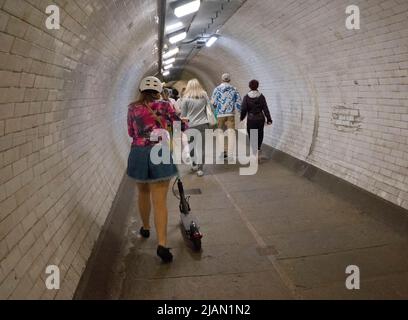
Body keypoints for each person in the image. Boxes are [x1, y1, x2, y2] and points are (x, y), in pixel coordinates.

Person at [127, 76, 187, 263]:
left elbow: (131, 132)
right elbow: (179, 125)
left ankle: (145, 228)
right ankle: (161, 244)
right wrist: (184, 122)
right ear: (159, 90)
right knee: (159, 201)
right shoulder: (164, 105)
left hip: (138, 152)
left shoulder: (132, 108)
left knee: (142, 193)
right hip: (159, 152)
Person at [179, 79, 212, 177]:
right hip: (203, 124)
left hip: (190, 125)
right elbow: (210, 107)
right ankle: (200, 169)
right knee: (201, 147)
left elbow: (183, 115)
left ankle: (194, 164)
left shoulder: (186, 98)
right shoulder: (204, 95)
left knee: (192, 146)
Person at [211, 73, 242, 160]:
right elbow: (239, 102)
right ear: (229, 80)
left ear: (222, 80)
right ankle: (230, 154)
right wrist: (240, 113)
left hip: (220, 114)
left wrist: (216, 109)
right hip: (230, 114)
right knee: (231, 133)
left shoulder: (217, 89)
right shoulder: (234, 89)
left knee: (220, 133)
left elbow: (213, 102)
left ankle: (223, 152)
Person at [240, 79, 273, 161]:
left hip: (251, 119)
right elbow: (265, 109)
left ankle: (255, 152)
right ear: (257, 86)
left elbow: (244, 109)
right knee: (260, 134)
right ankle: (258, 150)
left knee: (252, 134)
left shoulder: (246, 97)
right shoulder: (261, 96)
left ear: (249, 86)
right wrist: (269, 119)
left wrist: (242, 117)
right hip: (260, 118)